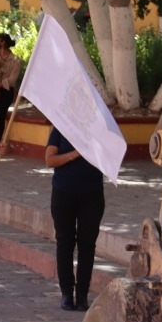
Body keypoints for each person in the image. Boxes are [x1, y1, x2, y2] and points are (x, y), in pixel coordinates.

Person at [45, 126, 106, 312]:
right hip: (64, 193)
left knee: (87, 245)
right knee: (65, 242)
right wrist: (76, 153)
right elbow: (49, 160)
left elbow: (111, 158)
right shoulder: (60, 128)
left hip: (92, 195)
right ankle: (66, 293)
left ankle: (82, 295)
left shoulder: (99, 131)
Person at [0, 32, 23, 138]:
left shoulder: (15, 60)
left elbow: (12, 79)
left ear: (3, 42)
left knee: (1, 115)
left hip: (6, 91)